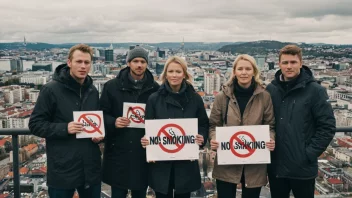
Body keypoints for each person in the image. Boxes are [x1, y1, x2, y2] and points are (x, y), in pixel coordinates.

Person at [28, 44, 102, 198]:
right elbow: (35, 124)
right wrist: (65, 128)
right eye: (78, 61)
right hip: (63, 169)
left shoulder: (93, 90)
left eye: (87, 62)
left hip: (90, 168)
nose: (83, 66)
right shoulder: (50, 90)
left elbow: (97, 122)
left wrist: (101, 135)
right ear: (69, 63)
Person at [266, 45, 336, 198]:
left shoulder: (316, 91)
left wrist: (309, 154)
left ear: (301, 63)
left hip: (302, 167)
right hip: (276, 166)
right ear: (279, 64)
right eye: (285, 63)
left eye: (293, 62)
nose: (289, 66)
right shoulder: (271, 89)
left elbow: (327, 127)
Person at [141, 56, 209, 198]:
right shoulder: (154, 99)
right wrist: (147, 142)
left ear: (184, 74)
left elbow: (203, 124)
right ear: (165, 74)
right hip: (161, 163)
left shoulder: (195, 98)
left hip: (185, 163)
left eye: (178, 71)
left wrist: (201, 137)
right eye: (170, 71)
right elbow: (148, 127)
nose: (174, 75)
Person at [208, 54, 275, 198]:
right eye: (240, 69)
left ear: (254, 71)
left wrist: (270, 138)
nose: (244, 72)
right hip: (227, 161)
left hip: (255, 163)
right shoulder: (222, 96)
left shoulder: (264, 96)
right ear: (234, 71)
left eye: (248, 69)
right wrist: (214, 138)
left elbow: (270, 125)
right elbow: (214, 124)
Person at [100, 46, 160, 198]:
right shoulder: (111, 87)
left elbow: (160, 118)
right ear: (128, 63)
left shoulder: (155, 89)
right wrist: (114, 122)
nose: (139, 65)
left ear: (147, 64)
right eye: (135, 61)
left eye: (142, 61)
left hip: (143, 151)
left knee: (140, 192)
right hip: (118, 150)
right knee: (118, 193)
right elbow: (101, 115)